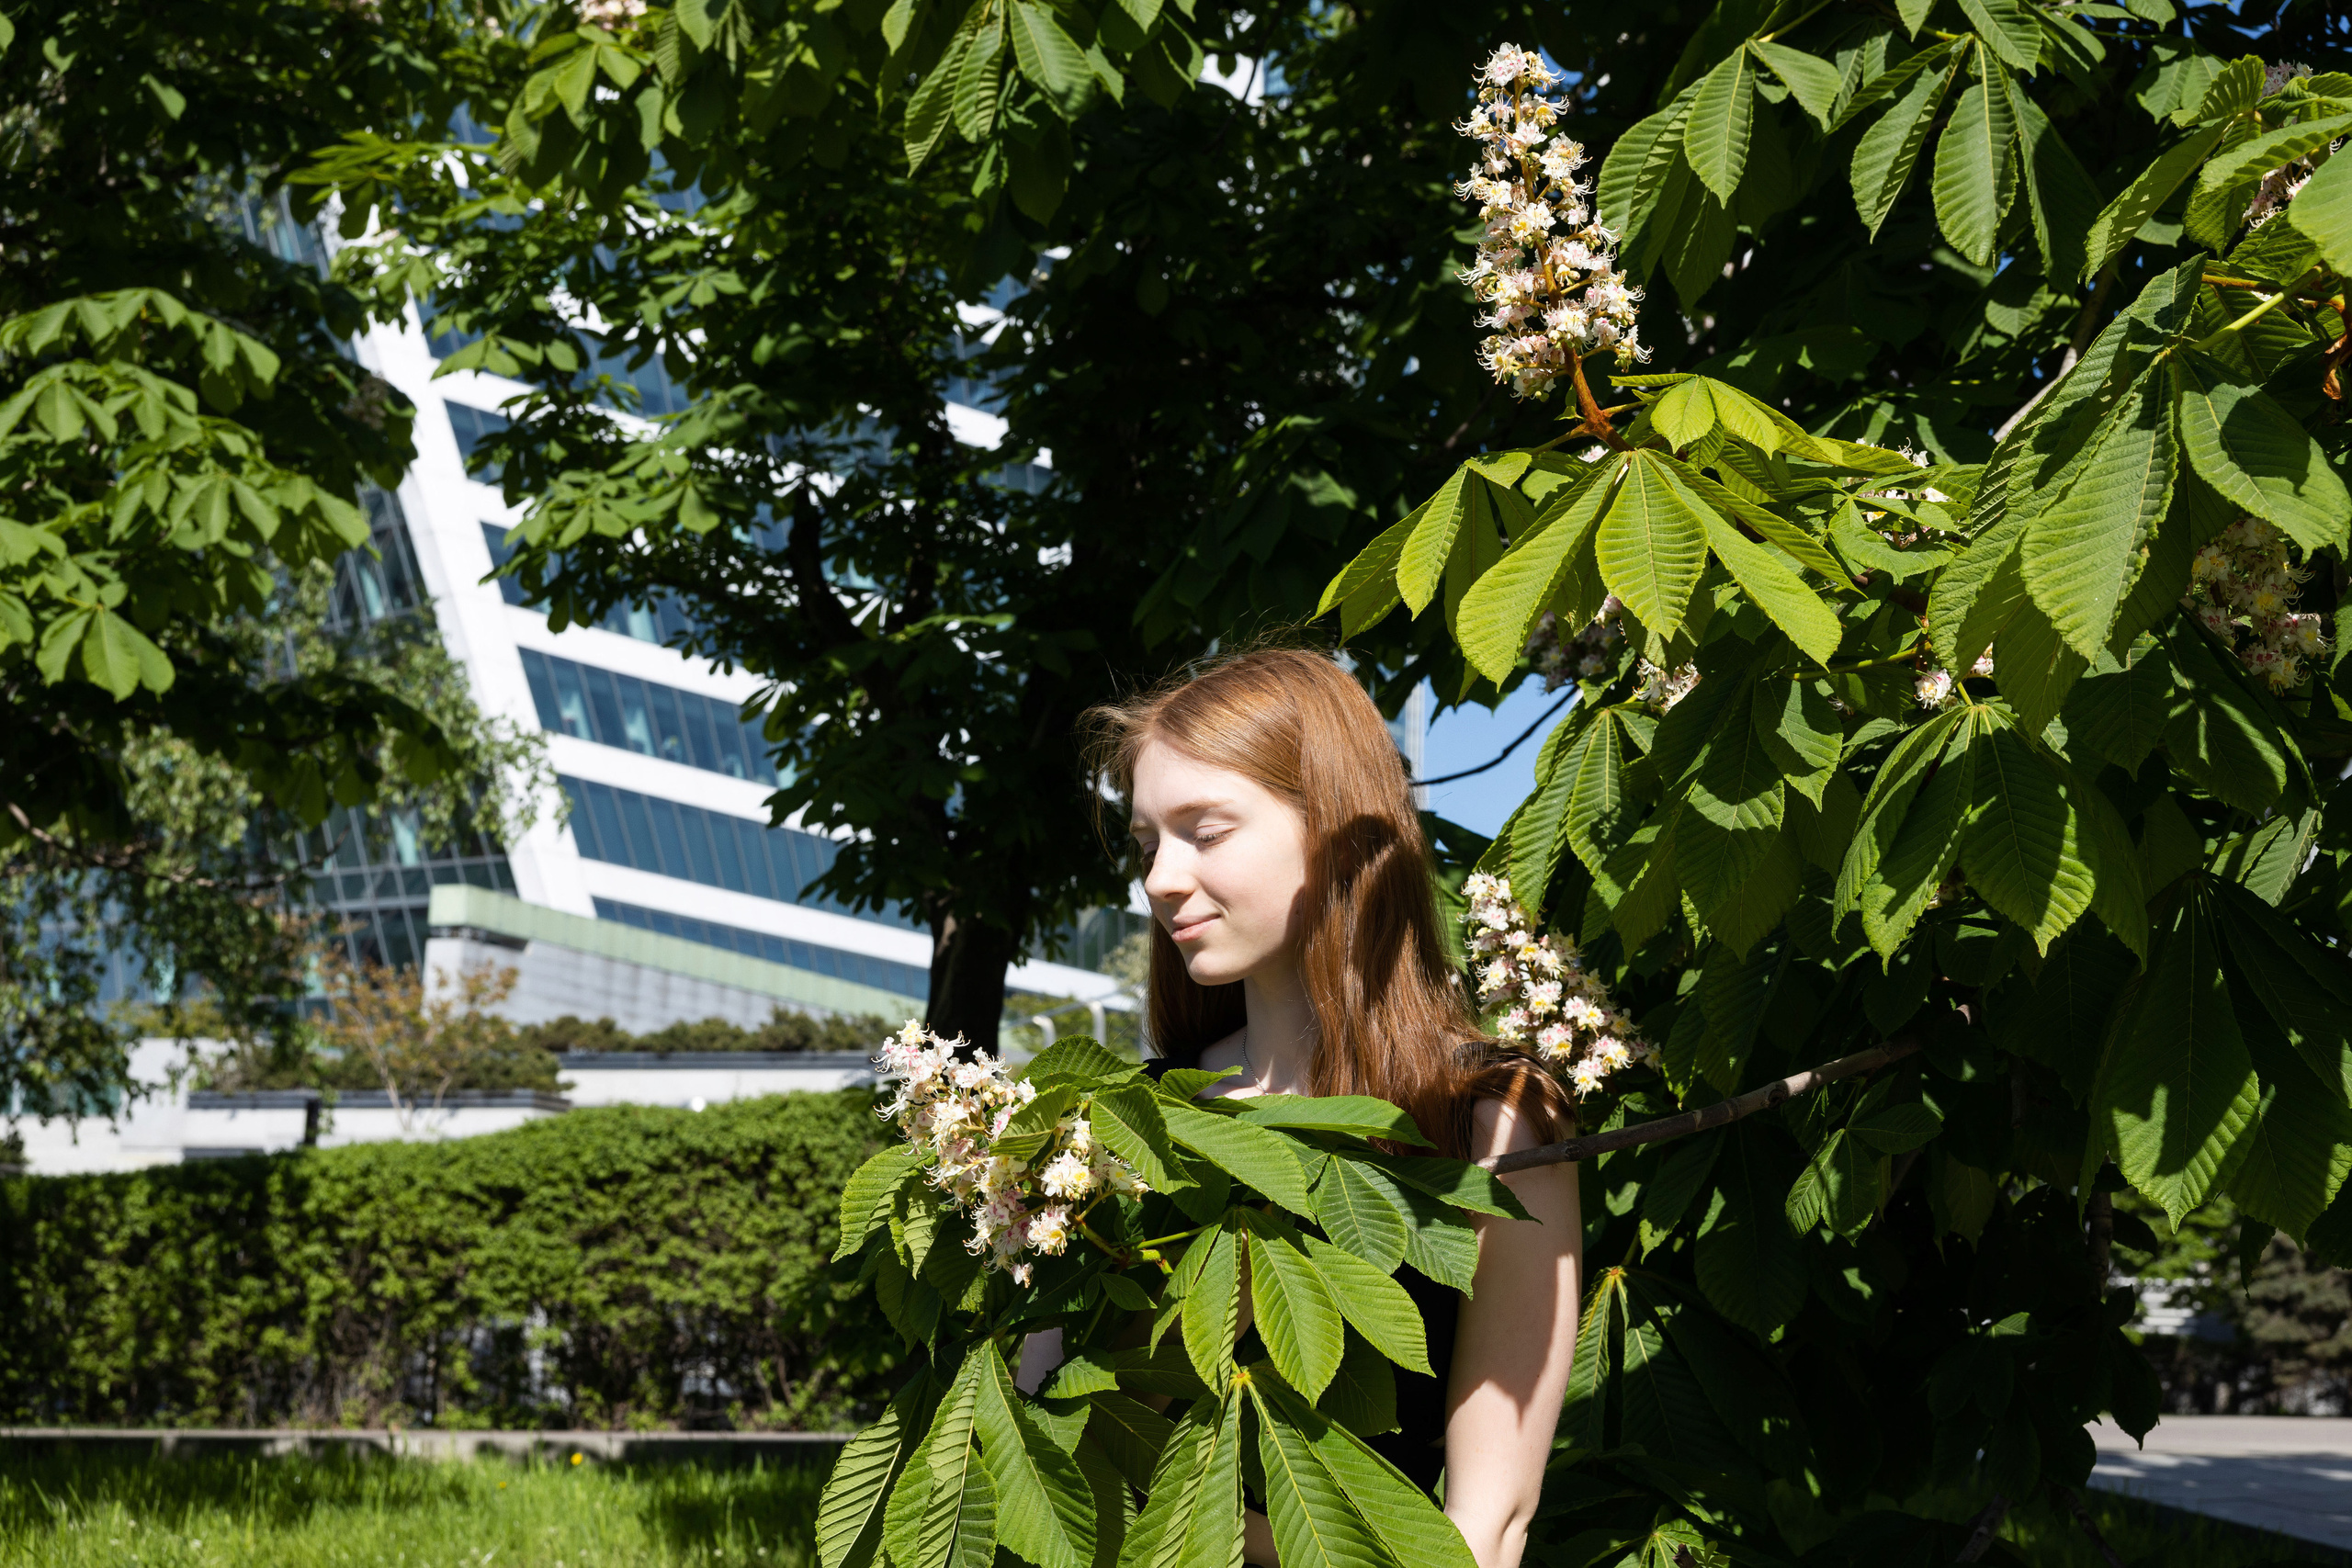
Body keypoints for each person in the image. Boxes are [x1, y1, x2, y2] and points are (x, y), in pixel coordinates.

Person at [1028, 646, 1582, 1568]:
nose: (1160, 878)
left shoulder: (1487, 1112)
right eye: (1145, 842)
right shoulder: (1131, 1126)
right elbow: (1058, 1452)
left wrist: (1253, 1538)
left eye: (1204, 833)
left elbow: (1488, 1530)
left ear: (1335, 828)